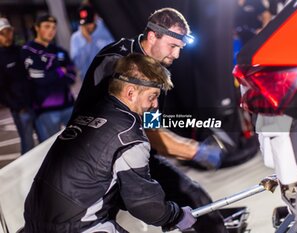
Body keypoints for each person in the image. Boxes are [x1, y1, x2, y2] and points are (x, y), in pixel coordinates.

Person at [71, 8, 228, 233]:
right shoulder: (119, 62)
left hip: (130, 151)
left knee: (197, 204)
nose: (176, 55)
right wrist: (195, 150)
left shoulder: (155, 68)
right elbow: (145, 131)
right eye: (172, 46)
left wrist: (180, 149)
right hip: (98, 164)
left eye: (180, 48)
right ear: (153, 36)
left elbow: (151, 127)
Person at [21, 53, 196, 233]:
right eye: (152, 96)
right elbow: (144, 204)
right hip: (77, 226)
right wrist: (176, 215)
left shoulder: (89, 113)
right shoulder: (129, 136)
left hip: (33, 222)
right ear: (130, 92)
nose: (155, 105)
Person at [21, 15, 77, 142]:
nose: (51, 30)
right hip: (45, 109)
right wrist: (60, 71)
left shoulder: (59, 50)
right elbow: (38, 78)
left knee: (78, 144)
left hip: (69, 106)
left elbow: (72, 76)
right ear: (37, 28)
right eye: (47, 26)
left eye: (53, 27)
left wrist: (50, 73)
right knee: (52, 149)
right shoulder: (28, 50)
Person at [0, 17, 36, 154]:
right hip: (21, 110)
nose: (7, 36)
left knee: (45, 141)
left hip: (35, 104)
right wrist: (17, 106)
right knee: (28, 145)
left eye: (8, 31)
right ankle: (28, 175)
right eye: (2, 33)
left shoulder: (20, 50)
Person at [70, 4, 114, 80]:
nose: (87, 26)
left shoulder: (106, 30)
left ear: (95, 18)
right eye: (84, 23)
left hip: (111, 77)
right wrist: (87, 42)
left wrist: (97, 42)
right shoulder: (76, 38)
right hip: (90, 82)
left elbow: (115, 51)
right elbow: (78, 65)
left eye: (89, 22)